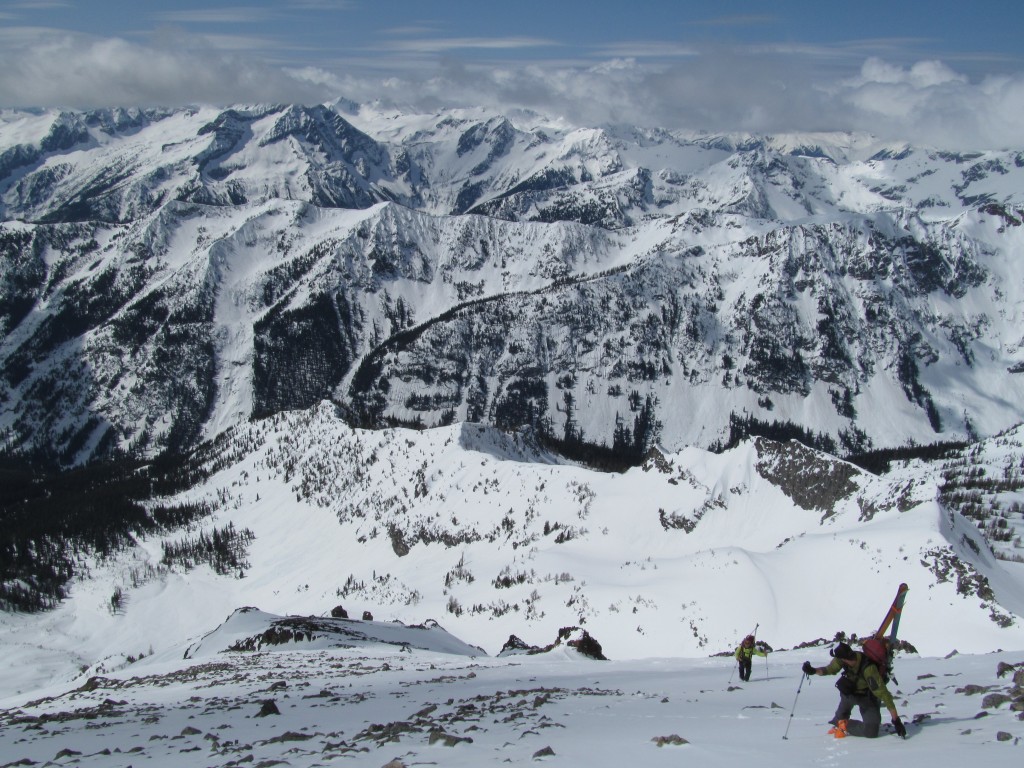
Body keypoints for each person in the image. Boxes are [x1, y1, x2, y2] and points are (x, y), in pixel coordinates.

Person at [802, 641, 907, 739]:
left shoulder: (868, 669)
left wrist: (896, 720)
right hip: (850, 693)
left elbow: (884, 694)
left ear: (845, 658)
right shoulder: (842, 658)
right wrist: (813, 670)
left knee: (871, 732)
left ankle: (844, 724)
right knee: (844, 694)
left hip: (867, 697)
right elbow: (829, 669)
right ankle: (839, 721)